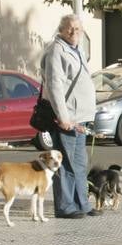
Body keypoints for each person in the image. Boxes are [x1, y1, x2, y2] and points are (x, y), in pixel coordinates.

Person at [40, 14, 98, 219]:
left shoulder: (77, 49)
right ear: (62, 30)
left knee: (80, 164)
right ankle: (65, 207)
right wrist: (63, 117)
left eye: (78, 29)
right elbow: (55, 85)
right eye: (70, 29)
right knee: (65, 164)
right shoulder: (57, 50)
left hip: (80, 116)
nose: (74, 32)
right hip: (68, 118)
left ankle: (82, 203)